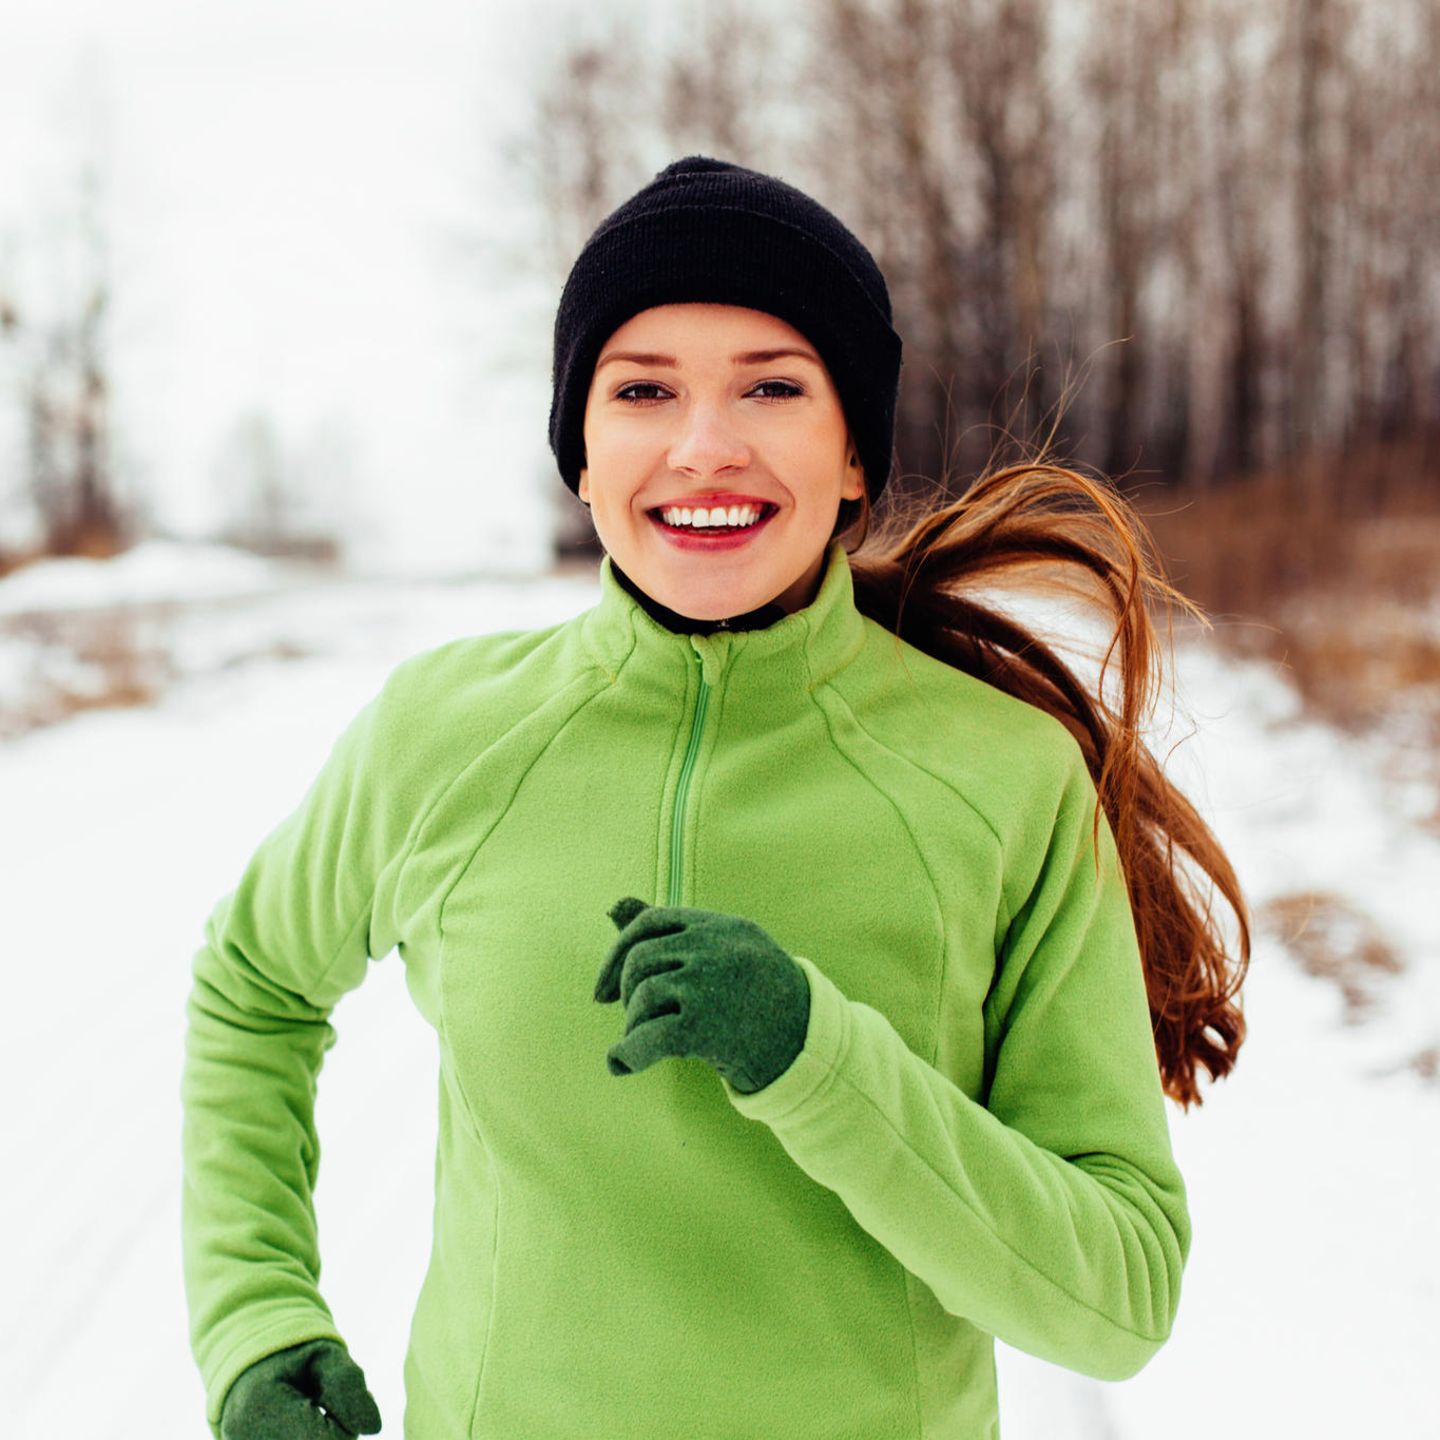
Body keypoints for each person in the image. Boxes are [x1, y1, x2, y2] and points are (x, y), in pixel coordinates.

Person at [181, 155, 1249, 1440]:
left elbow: (1118, 1303)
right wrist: (255, 1321)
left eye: (772, 386)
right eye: (643, 390)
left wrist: (812, 1054)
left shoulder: (1003, 779)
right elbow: (252, 989)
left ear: (852, 453)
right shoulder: (441, 737)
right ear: (581, 456)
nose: (703, 446)